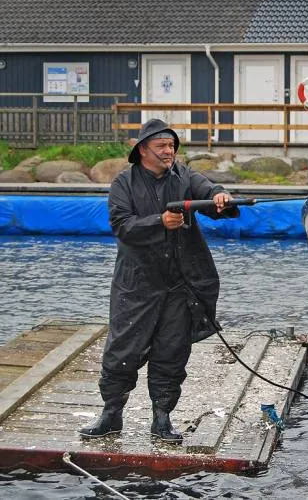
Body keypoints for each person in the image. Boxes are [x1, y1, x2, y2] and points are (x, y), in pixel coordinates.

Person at [79, 118, 239, 443]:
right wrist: (159, 222)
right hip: (136, 284)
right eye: (162, 146)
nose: (169, 152)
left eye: (172, 146)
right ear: (143, 150)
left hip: (179, 284)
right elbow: (123, 226)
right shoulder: (123, 183)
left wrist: (221, 197)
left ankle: (162, 417)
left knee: (172, 350)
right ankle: (111, 414)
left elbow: (207, 191)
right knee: (122, 349)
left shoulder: (183, 176)